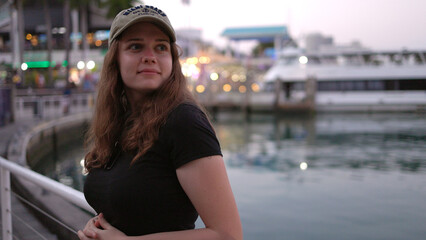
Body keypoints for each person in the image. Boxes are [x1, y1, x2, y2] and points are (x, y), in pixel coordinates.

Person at [78, 5, 242, 240]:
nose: (150, 56)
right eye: (135, 46)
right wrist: (99, 225)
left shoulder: (184, 121)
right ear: (116, 58)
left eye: (161, 47)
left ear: (172, 59)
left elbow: (228, 234)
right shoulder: (119, 122)